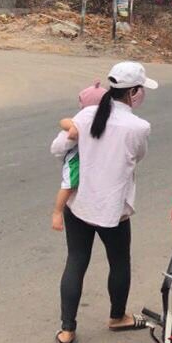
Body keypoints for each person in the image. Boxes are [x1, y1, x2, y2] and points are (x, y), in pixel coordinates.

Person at [50, 62, 156, 343]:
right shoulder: (138, 127)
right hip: (114, 210)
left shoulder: (86, 115)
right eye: (142, 90)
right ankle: (117, 316)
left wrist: (72, 132)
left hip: (79, 205)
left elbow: (57, 148)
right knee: (119, 262)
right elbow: (137, 157)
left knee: (76, 261)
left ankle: (67, 330)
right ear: (134, 92)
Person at [51, 81, 107, 231]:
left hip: (95, 161)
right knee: (70, 184)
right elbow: (63, 121)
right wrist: (73, 127)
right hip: (77, 158)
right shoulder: (82, 119)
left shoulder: (109, 120)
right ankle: (57, 212)